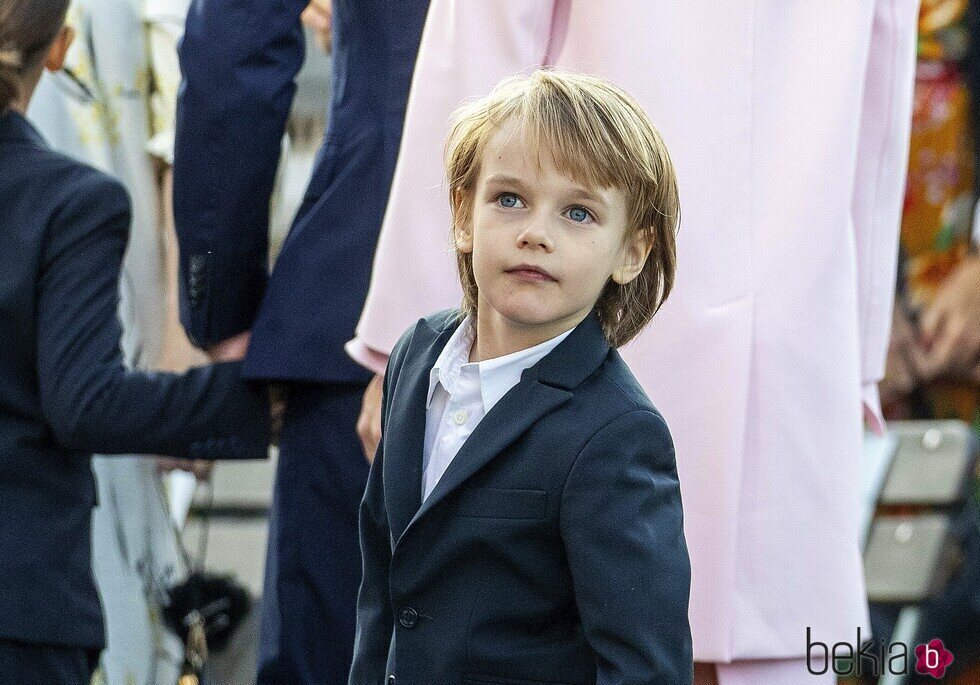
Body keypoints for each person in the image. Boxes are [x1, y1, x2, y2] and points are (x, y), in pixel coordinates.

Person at [347, 2, 919, 682]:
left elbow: (478, 43)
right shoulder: (434, 355)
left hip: (579, 275)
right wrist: (854, 356)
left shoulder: (452, 347)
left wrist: (405, 319)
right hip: (777, 308)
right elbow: (880, 119)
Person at [348, 70, 692, 685]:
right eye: (509, 200)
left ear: (630, 253)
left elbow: (645, 665)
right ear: (462, 214)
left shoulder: (616, 433)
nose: (535, 233)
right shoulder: (416, 355)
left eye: (578, 213)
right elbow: (384, 584)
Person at [0, 2, 275, 682]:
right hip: (20, 603)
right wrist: (258, 396)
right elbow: (85, 401)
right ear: (61, 50)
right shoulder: (68, 202)